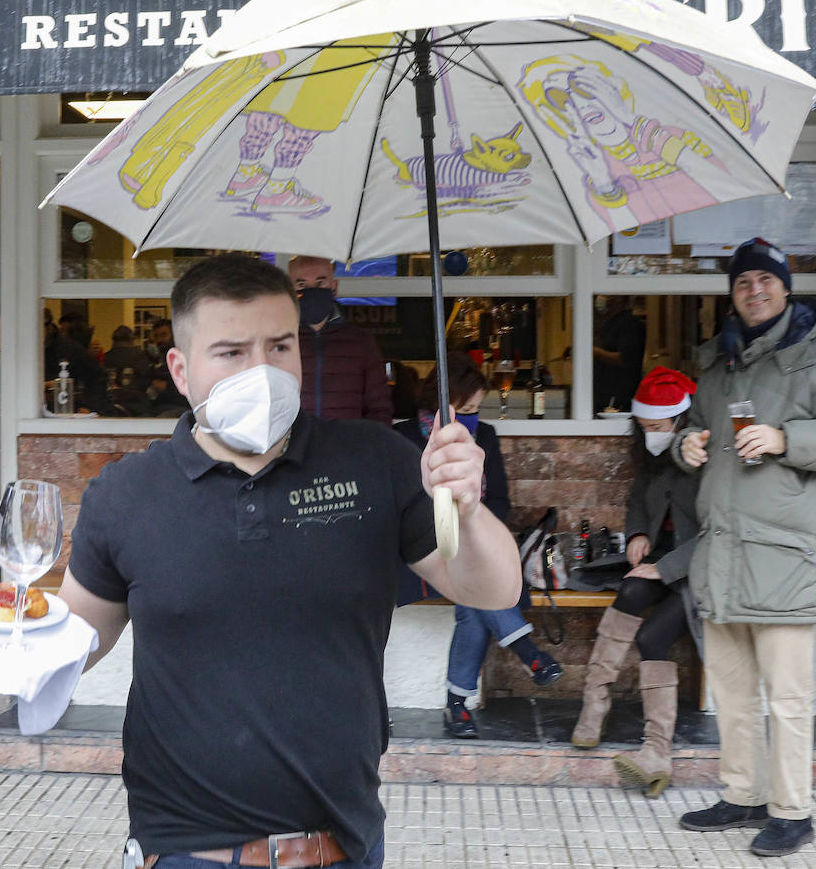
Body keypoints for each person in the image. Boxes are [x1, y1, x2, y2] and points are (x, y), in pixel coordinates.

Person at [59, 254, 521, 868]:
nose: (262, 370)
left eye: (279, 346)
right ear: (180, 369)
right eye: (231, 352)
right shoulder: (126, 493)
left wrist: (467, 507)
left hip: (340, 847)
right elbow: (68, 647)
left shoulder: (374, 461)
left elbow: (491, 589)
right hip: (186, 853)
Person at [673, 238, 816, 858]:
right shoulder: (720, 366)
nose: (754, 290)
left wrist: (787, 438)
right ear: (732, 294)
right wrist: (687, 446)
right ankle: (743, 793)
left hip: (786, 559)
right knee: (731, 691)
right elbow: (691, 430)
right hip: (725, 557)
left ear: (786, 288)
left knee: (788, 700)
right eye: (742, 282)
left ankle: (792, 810)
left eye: (765, 279)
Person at [394, 352, 561, 739]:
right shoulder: (401, 437)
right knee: (476, 593)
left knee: (474, 600)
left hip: (468, 543)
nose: (472, 417)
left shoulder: (483, 435)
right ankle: (526, 653)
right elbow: (399, 507)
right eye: (464, 409)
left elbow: (499, 501)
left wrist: (472, 519)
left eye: (476, 409)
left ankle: (458, 706)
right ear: (440, 404)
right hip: (420, 554)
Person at [570, 366, 701, 799]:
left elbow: (718, 533)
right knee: (628, 590)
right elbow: (638, 497)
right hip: (661, 555)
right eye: (643, 427)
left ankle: (657, 752)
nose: (651, 435)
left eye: (658, 427)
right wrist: (639, 533)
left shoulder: (705, 452)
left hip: (701, 569)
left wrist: (665, 570)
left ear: (680, 421)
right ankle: (595, 703)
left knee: (652, 637)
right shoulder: (652, 452)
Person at [287, 255, 393, 424]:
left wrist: (369, 447)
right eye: (301, 284)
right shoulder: (279, 342)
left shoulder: (360, 342)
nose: (312, 290)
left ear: (334, 287)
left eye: (320, 283)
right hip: (293, 447)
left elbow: (379, 408)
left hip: (347, 446)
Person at [594, 295, 646, 413]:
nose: (601, 298)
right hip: (605, 393)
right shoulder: (611, 322)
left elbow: (626, 359)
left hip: (619, 396)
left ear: (619, 298)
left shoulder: (630, 324)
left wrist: (596, 352)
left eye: (607, 295)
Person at [103, 325, 156, 416]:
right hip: (138, 406)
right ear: (132, 339)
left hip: (111, 404)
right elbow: (147, 381)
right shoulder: (141, 356)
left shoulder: (106, 358)